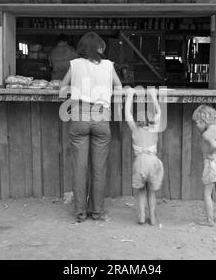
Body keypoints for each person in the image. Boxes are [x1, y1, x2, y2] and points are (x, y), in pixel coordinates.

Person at [60, 32, 122, 223]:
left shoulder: (75, 64)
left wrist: (77, 91)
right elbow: (119, 88)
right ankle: (97, 212)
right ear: (99, 49)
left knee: (80, 167)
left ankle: (80, 213)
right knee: (99, 168)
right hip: (101, 118)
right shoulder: (108, 66)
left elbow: (62, 89)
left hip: (79, 116)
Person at [125, 87, 164, 226]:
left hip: (140, 162)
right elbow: (160, 112)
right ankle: (152, 217)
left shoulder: (134, 129)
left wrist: (130, 95)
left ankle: (142, 216)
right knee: (151, 192)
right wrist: (153, 95)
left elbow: (127, 114)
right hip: (153, 162)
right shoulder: (154, 128)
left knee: (141, 190)